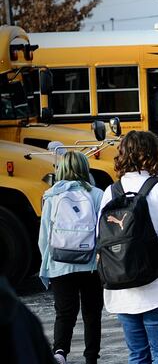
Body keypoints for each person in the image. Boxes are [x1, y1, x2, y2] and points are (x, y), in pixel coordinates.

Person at [99, 131, 158, 363]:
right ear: (155, 154)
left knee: (138, 355)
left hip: (122, 288)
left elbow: (101, 238)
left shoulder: (109, 193)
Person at [38, 151, 104, 364]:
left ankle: (60, 352)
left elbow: (44, 237)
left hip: (60, 264)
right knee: (92, 313)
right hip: (90, 264)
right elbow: (102, 233)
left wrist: (48, 263)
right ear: (86, 168)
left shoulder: (51, 196)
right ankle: (91, 357)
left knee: (64, 312)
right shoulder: (97, 194)